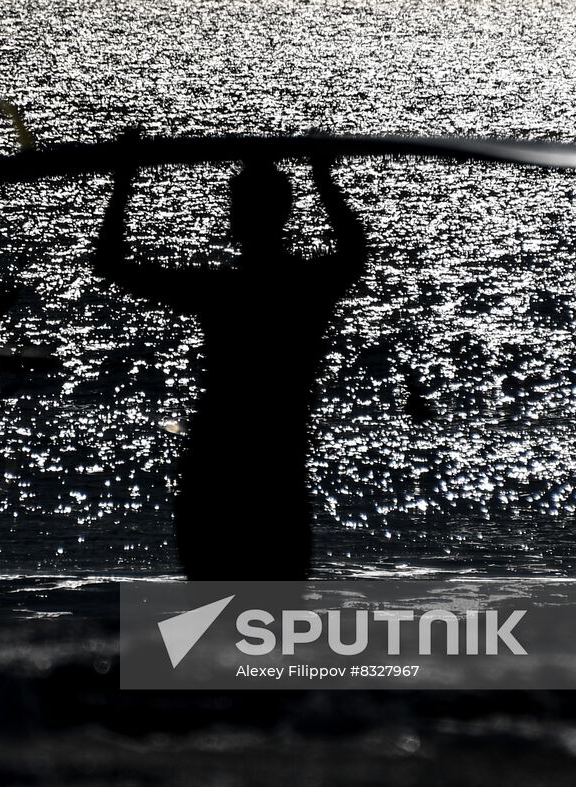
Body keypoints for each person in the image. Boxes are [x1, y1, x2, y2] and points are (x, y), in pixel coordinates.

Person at [92, 128, 370, 579]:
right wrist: (324, 177)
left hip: (219, 467)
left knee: (215, 595)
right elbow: (356, 250)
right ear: (287, 213)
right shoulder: (310, 287)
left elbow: (110, 261)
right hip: (276, 467)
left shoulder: (221, 292)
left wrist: (125, 178)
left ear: (234, 219)